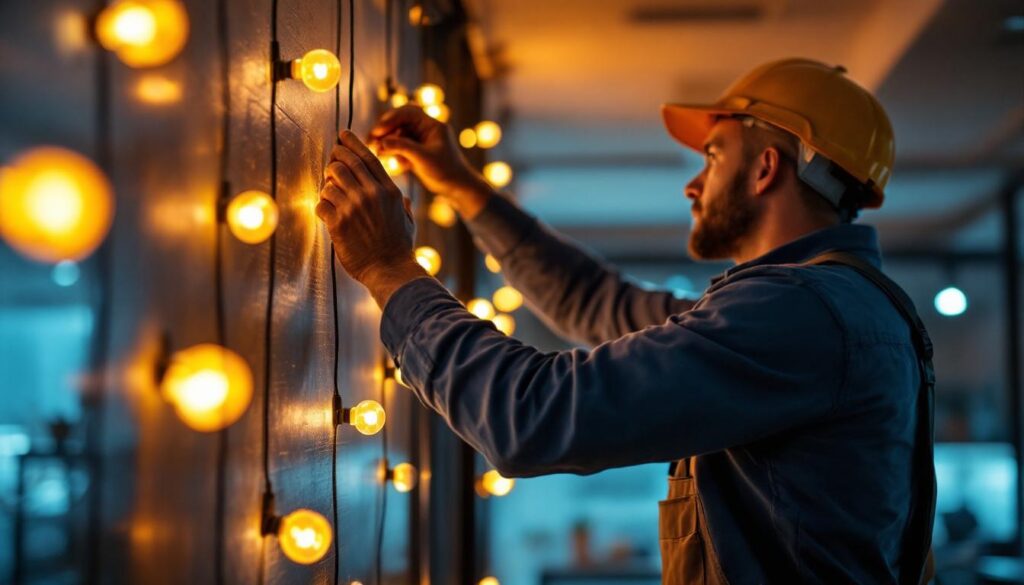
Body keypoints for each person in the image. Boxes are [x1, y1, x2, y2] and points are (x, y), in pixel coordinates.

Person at [315, 58, 936, 584]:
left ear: (766, 167)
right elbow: (599, 305)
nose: (694, 184)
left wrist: (391, 270)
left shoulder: (800, 313)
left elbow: (535, 416)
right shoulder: (823, 305)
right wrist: (462, 188)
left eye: (713, 154)